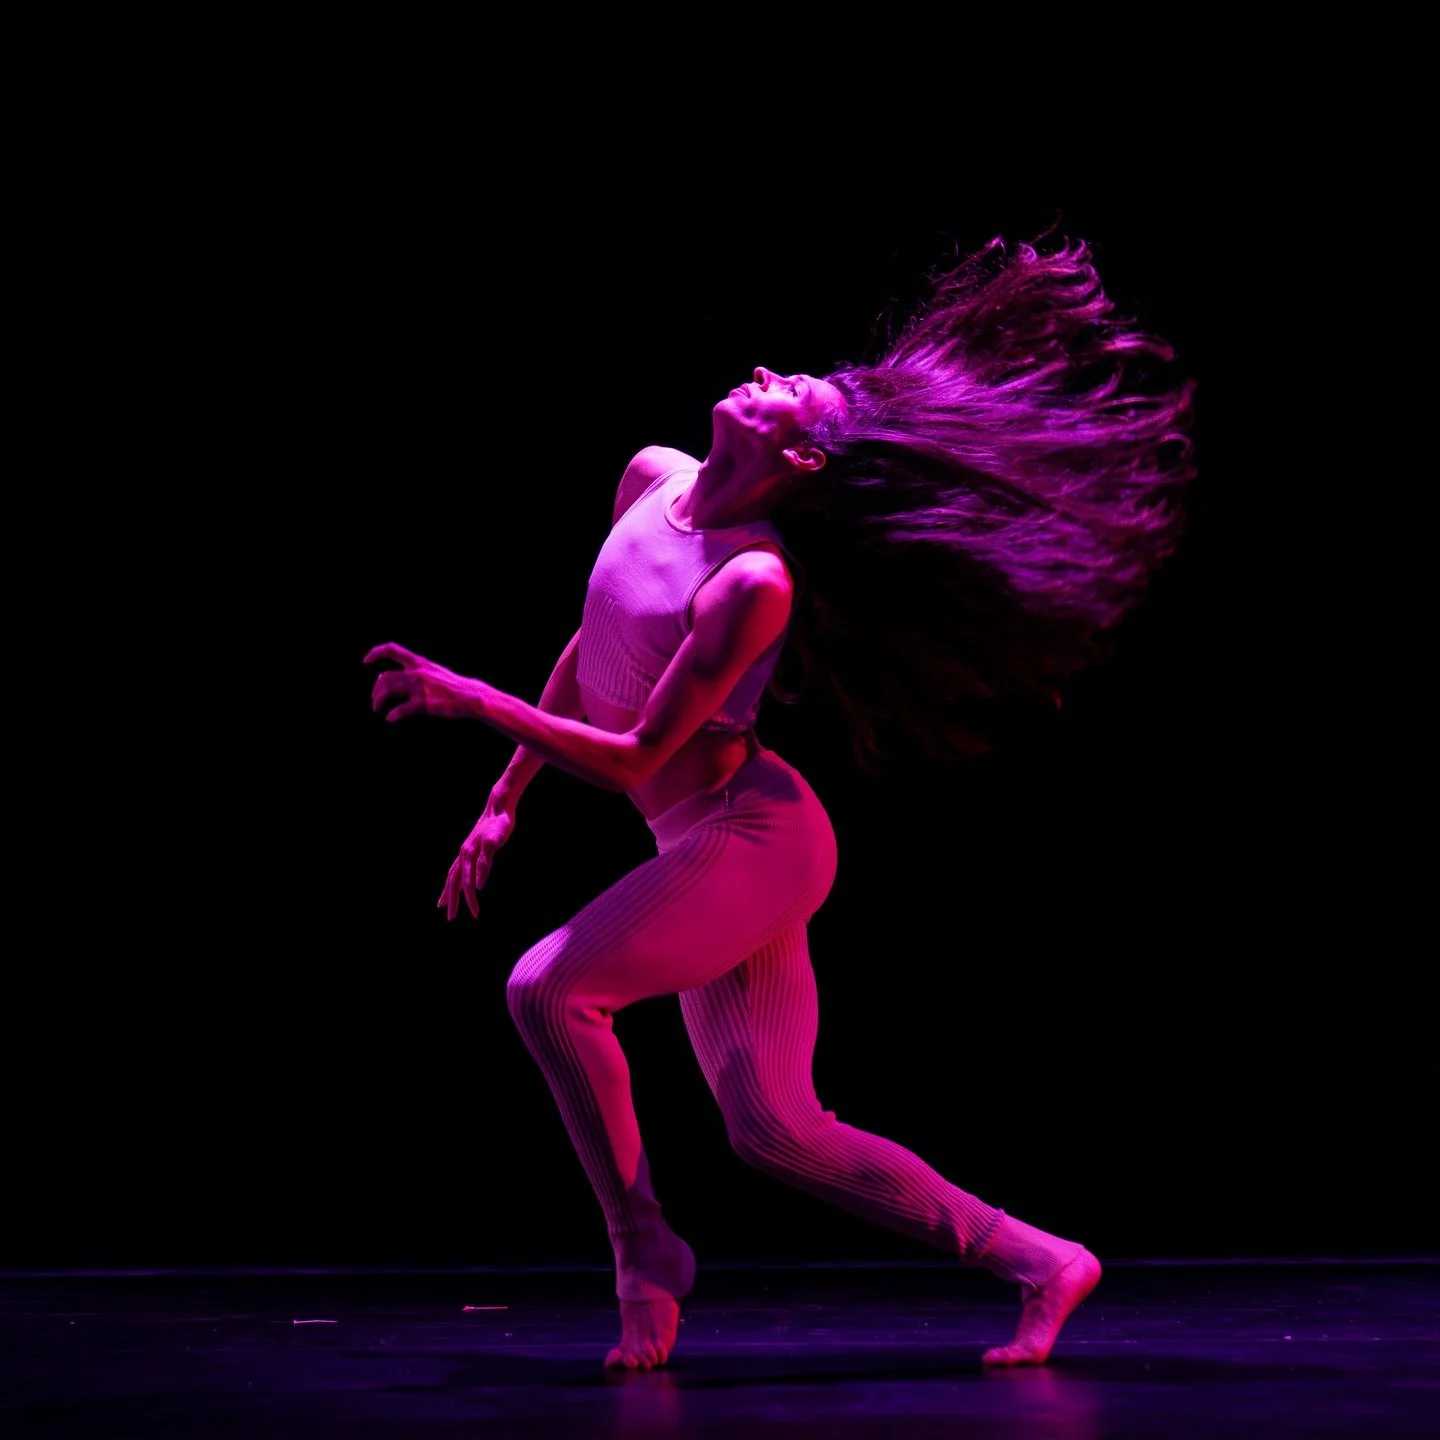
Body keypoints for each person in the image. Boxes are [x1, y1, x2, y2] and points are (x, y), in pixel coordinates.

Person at [366, 235, 1196, 1371]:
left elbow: (629, 752)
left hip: (751, 840)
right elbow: (595, 637)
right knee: (774, 1130)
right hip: (704, 838)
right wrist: (504, 799)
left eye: (787, 389)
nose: (762, 372)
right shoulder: (650, 477)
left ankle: (643, 1249)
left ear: (801, 460)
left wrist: (471, 700)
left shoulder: (754, 582)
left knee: (548, 989)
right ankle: (1043, 1260)